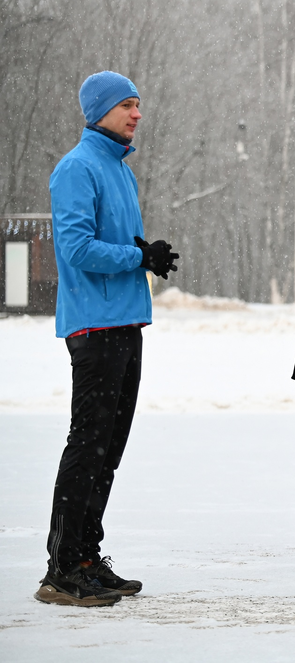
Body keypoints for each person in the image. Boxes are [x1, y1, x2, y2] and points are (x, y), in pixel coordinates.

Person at [39, 71, 180, 607]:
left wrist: (143, 250)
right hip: (94, 325)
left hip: (124, 320)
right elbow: (76, 250)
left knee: (109, 449)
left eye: (139, 104)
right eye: (126, 105)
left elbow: (111, 241)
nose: (137, 113)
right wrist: (136, 257)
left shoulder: (119, 169)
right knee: (88, 444)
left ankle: (84, 557)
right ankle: (60, 569)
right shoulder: (77, 168)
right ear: (98, 110)